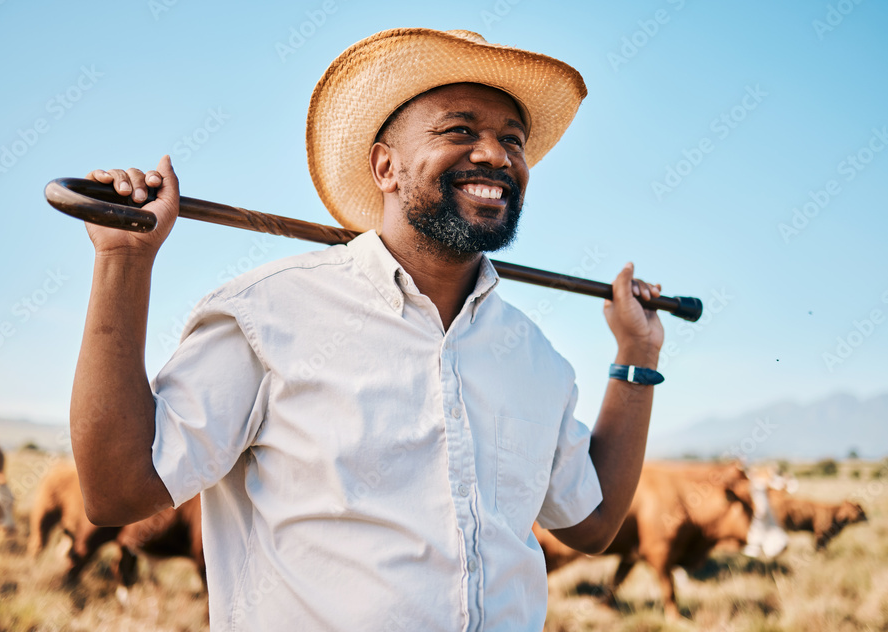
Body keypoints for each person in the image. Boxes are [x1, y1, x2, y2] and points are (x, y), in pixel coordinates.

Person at [70, 28, 665, 630]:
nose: (495, 154)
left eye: (512, 139)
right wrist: (125, 260)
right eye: (459, 130)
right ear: (386, 166)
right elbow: (119, 491)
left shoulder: (535, 359)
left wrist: (636, 356)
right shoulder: (268, 313)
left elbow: (591, 524)